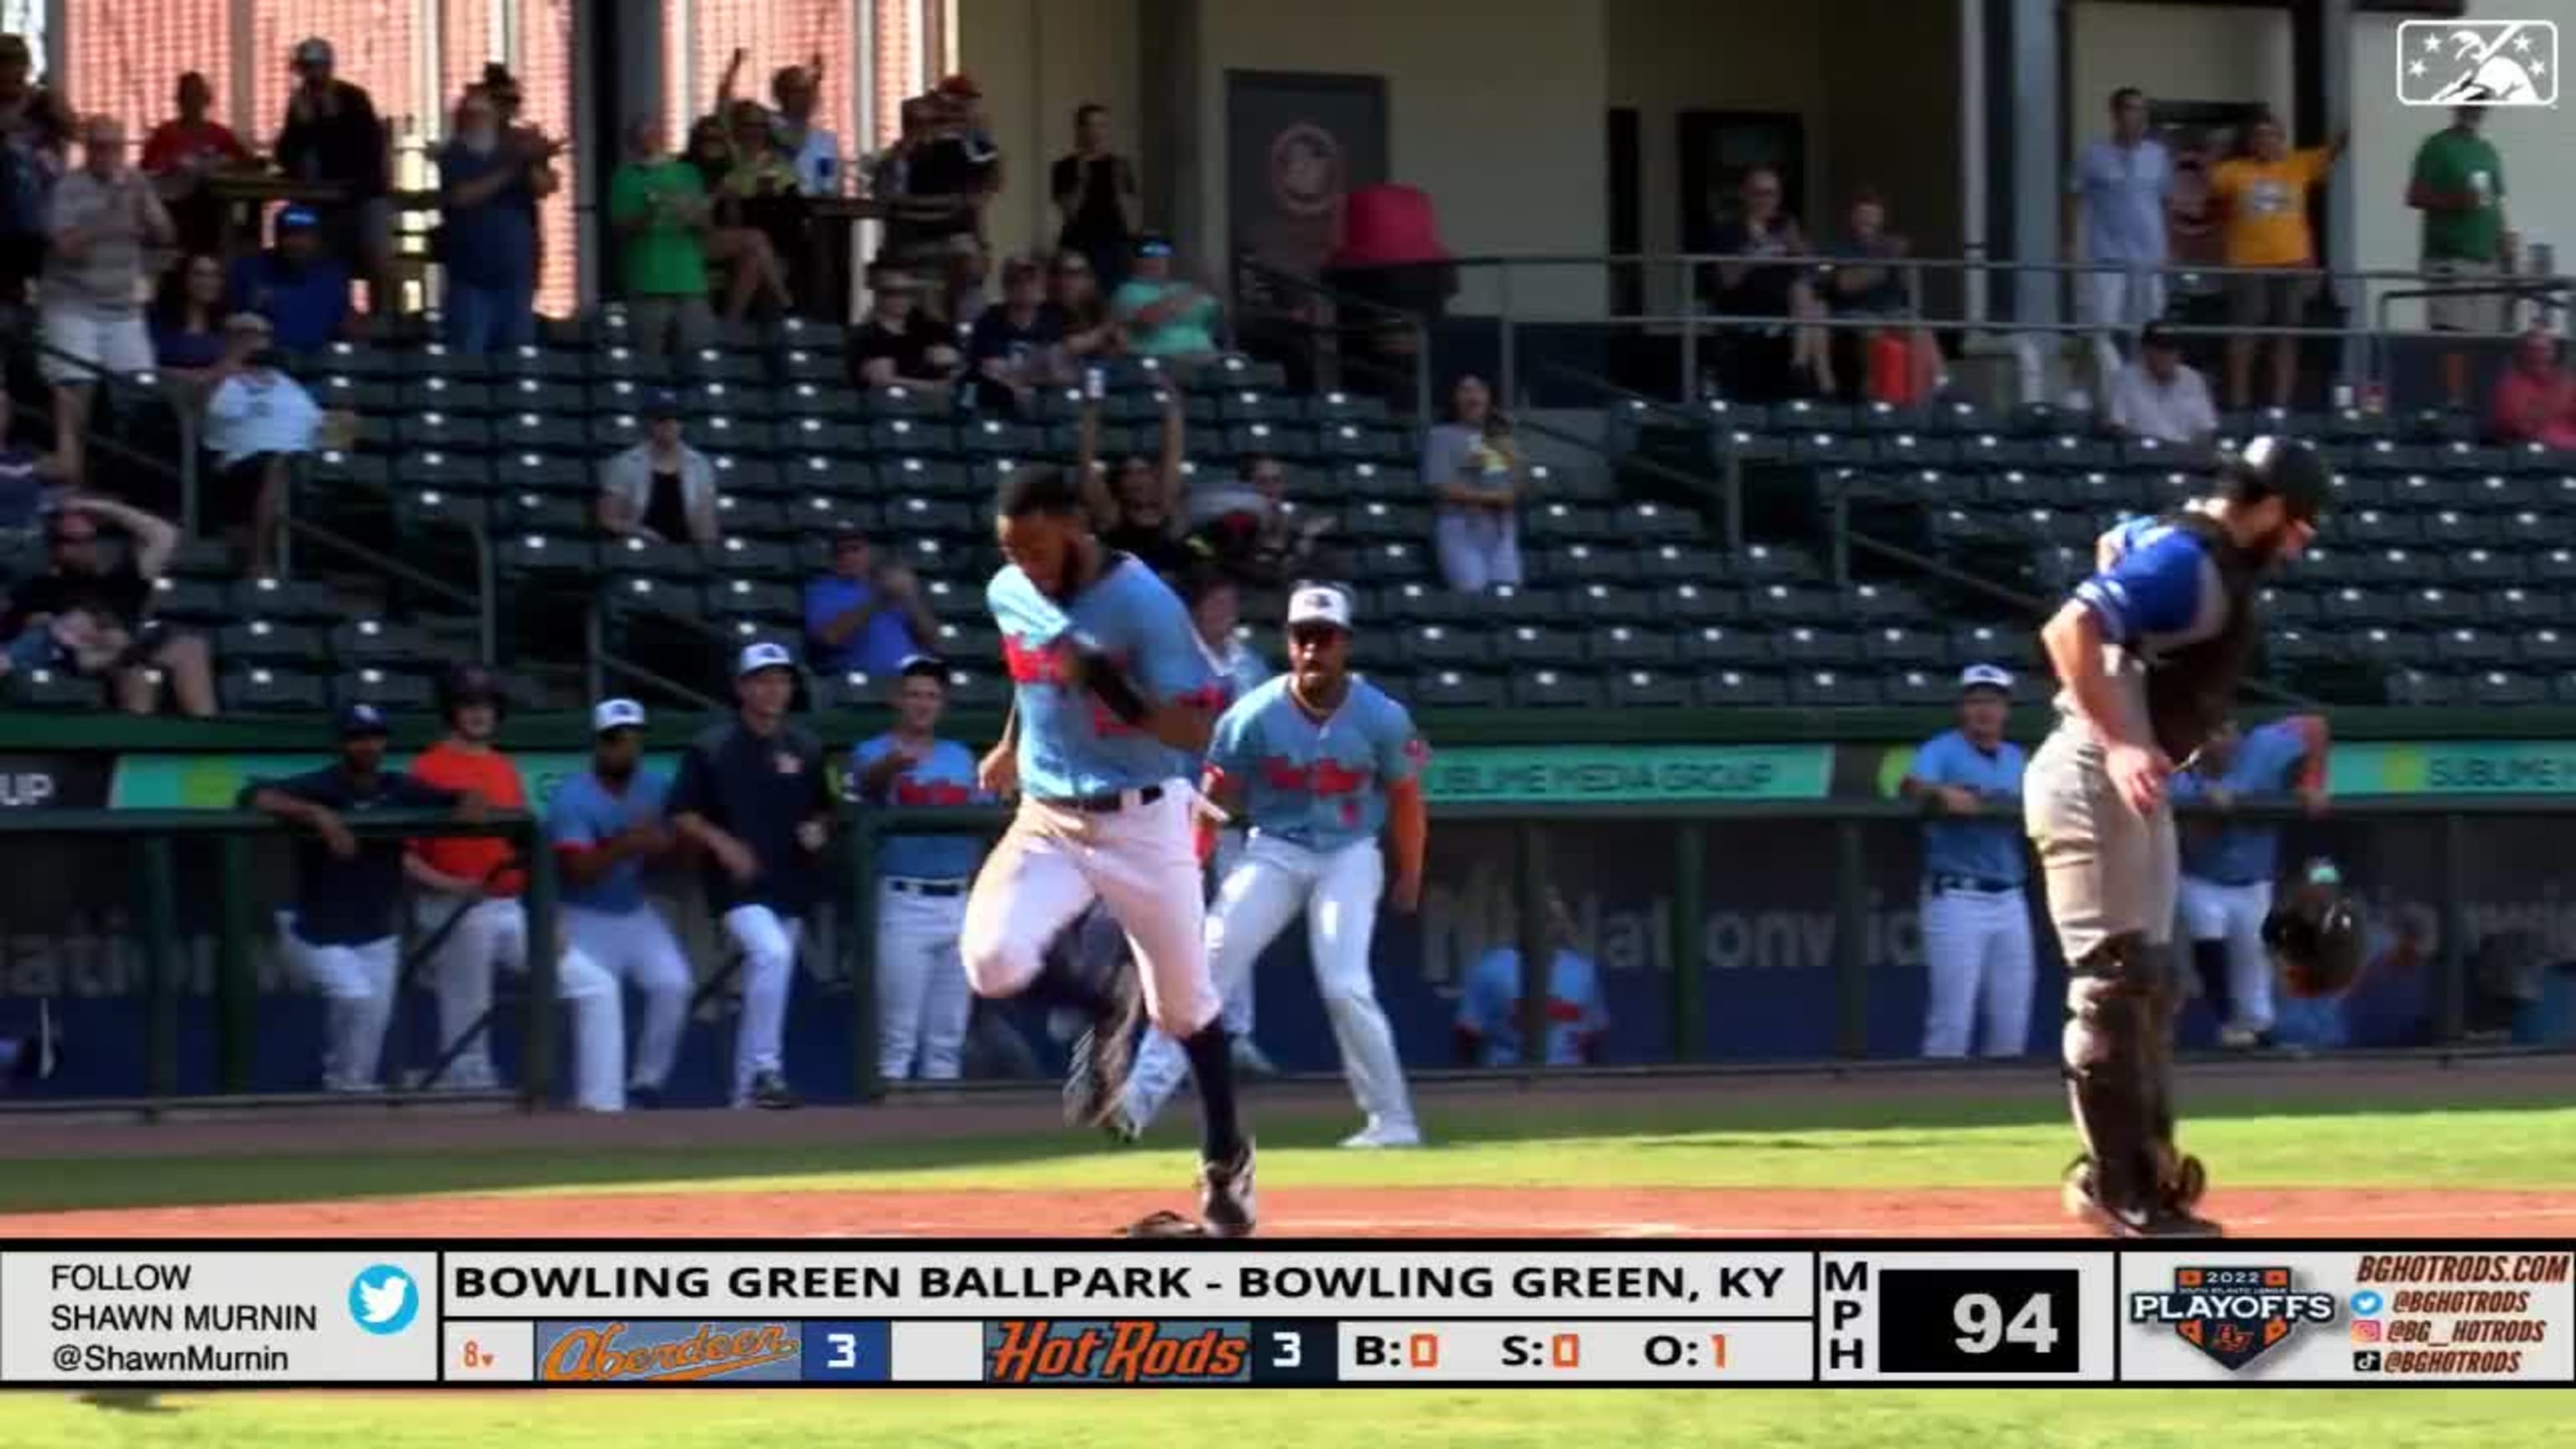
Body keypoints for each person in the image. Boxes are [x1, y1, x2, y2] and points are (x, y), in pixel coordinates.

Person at [2025, 434, 2327, 1237]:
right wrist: (2122, 735)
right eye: (2297, 522)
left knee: (2152, 985)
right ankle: (2117, 1192)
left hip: (2130, 772)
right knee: (2117, 982)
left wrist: (2131, 721)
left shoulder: (2172, 537)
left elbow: (2112, 546)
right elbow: (2069, 629)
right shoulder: (2194, 559)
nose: (2300, 542)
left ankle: (2147, 1177)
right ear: (2262, 505)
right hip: (2096, 768)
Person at [958, 462, 1252, 1236]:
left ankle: (1226, 1162)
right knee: (990, 962)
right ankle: (1102, 1008)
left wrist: (1102, 681)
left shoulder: (1143, 603)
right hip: (1049, 816)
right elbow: (1031, 673)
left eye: (1036, 545)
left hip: (1144, 819)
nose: (1024, 563)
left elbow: (1194, 731)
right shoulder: (1010, 589)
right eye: (1012, 548)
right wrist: (1009, 742)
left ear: (1075, 526)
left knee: (1186, 1009)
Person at [1119, 584, 1427, 1147]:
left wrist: (1410, 871)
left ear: (1345, 644)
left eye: (1325, 638)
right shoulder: (1253, 714)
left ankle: (1394, 1121)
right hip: (1277, 848)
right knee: (1206, 960)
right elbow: (1214, 797)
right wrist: (1190, 869)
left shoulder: (1381, 715)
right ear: (1289, 643)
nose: (1314, 649)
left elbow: (1406, 798)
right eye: (1303, 637)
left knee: (1345, 985)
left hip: (1350, 852)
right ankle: (1135, 1103)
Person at [401, 665, 626, 1109]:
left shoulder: (502, 766)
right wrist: (453, 886)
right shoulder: (426, 768)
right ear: (451, 710)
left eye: (486, 704)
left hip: (508, 906)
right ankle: (469, 1110)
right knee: (468, 1016)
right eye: (468, 704)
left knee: (597, 986)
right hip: (451, 906)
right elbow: (404, 857)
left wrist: (548, 915)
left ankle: (603, 1106)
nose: (479, 714)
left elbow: (526, 852)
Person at [241, 704, 481, 1093]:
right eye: (357, 737)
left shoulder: (398, 787)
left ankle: (346, 1091)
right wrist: (316, 813)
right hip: (315, 932)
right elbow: (254, 796)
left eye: (374, 736)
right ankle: (339, 1080)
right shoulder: (324, 784)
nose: (367, 745)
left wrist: (470, 800)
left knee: (370, 1022)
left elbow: (460, 799)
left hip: (375, 933)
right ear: (341, 743)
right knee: (353, 995)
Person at [667, 642, 836, 1109]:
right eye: (762, 680)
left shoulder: (805, 746)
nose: (773, 689)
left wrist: (819, 828)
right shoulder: (713, 746)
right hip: (736, 889)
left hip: (789, 880)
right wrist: (721, 843)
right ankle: (767, 1069)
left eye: (780, 679)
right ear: (742, 688)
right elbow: (681, 813)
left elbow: (826, 808)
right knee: (773, 953)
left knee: (772, 972)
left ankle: (745, 1100)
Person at [548, 698, 694, 1108]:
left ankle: (647, 1083)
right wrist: (626, 843)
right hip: (580, 914)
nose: (623, 748)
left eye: (632, 739)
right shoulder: (572, 798)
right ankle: (598, 1103)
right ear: (597, 744)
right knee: (600, 997)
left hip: (633, 911)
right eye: (614, 740)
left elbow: (676, 850)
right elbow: (577, 871)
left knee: (674, 983)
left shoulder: (653, 787)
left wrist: (666, 844)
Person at [850, 657, 988, 1081]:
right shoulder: (872, 752)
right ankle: (889, 1138)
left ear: (942, 703)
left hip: (958, 899)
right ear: (897, 699)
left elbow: (984, 821)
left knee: (947, 1041)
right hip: (904, 899)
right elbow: (863, 788)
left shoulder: (960, 757)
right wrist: (889, 767)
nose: (923, 703)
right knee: (897, 1039)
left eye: (932, 695)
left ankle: (940, 1137)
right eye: (914, 694)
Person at [2169, 715, 2329, 1050]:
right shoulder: (2180, 769)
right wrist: (2208, 808)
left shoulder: (2262, 746)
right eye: (2208, 733)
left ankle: (2255, 1034)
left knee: (2252, 961)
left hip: (2254, 882)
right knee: (2206, 931)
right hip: (2200, 877)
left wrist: (2312, 780)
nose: (2218, 741)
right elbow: (2188, 832)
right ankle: (2226, 1021)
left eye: (2225, 731)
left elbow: (2315, 726)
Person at [1901, 664, 2035, 1060]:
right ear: (1961, 707)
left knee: (2012, 1022)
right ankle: (1936, 1110)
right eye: (1975, 700)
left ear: (2006, 709)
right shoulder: (1941, 749)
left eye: (1992, 700)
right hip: (1957, 896)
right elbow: (1909, 785)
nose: (1984, 709)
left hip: (2010, 898)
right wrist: (1940, 791)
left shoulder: (2016, 758)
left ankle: (2003, 1114)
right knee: (1952, 1023)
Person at [44, 116, 174, 486]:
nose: (107, 154)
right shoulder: (68, 188)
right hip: (72, 302)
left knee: (140, 392)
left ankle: (128, 481)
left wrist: (148, 211)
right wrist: (108, 217)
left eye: (115, 147)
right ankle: (73, 479)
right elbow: (65, 248)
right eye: (99, 146)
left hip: (122, 307)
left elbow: (165, 234)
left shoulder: (136, 182)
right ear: (87, 148)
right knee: (76, 384)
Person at [0, 494, 216, 716]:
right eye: (71, 542)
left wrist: (103, 507)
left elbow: (166, 535)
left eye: (90, 539)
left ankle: (209, 738)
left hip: (131, 649)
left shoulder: (122, 578)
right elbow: (35, 636)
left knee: (191, 647)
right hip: (87, 659)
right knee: (136, 671)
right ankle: (135, 743)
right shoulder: (42, 588)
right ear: (55, 548)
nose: (84, 548)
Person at [2208, 113, 2346, 410]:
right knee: (2247, 330)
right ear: (2250, 141)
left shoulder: (2299, 164)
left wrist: (2355, 113)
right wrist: (2215, 150)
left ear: (2281, 139)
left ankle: (2281, 404)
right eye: (2259, 135)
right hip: (2248, 266)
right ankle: (2239, 402)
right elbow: (2210, 188)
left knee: (2287, 333)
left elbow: (2336, 149)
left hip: (2292, 264)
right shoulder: (2233, 171)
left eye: (2272, 135)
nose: (2265, 141)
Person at [273, 38, 395, 318]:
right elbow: (287, 155)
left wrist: (327, 119)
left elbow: (362, 151)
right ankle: (330, 317)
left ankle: (384, 320)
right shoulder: (299, 105)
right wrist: (303, 127)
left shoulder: (354, 99)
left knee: (376, 253)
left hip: (363, 195)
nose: (311, 75)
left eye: (316, 67)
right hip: (321, 202)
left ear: (328, 67)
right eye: (305, 69)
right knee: (312, 252)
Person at [2068, 86, 2174, 397]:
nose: (2138, 116)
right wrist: (2070, 242)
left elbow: (2165, 201)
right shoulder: (2093, 155)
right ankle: (2082, 392)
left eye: (2143, 110)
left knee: (2146, 329)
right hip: (2106, 256)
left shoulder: (2158, 155)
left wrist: (2169, 246)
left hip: (2148, 259)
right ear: (2115, 113)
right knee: (2099, 327)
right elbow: (2073, 197)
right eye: (2131, 109)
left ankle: (2138, 394)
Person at [2408, 106, 2514, 411]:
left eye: (2480, 104)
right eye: (2470, 103)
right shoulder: (2437, 146)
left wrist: (2504, 239)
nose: (2475, 109)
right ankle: (2454, 404)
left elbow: (2496, 202)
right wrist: (2454, 201)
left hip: (2486, 257)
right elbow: (2415, 195)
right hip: (2449, 256)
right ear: (2457, 106)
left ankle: (2485, 408)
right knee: (2452, 332)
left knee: (2486, 335)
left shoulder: (2487, 150)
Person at [437, 87, 555, 355]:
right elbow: (461, 196)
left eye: (482, 114)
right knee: (471, 358)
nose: (476, 119)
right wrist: (512, 170)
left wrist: (536, 159)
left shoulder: (515, 150)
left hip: (516, 276)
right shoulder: (453, 154)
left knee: (516, 358)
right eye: (470, 113)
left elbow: (545, 187)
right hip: (469, 279)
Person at [202, 313, 322, 576]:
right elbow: (215, 421)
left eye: (260, 336)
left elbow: (314, 420)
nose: (254, 342)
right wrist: (228, 368)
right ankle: (259, 559)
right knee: (278, 464)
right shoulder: (226, 381)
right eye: (245, 336)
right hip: (240, 462)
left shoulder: (288, 384)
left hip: (297, 456)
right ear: (231, 341)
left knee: (292, 464)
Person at [1705, 166, 1832, 396]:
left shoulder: (1786, 224)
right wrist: (1755, 255)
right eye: (1759, 193)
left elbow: (1816, 269)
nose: (1766, 199)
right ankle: (1822, 385)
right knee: (1811, 304)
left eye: (1771, 193)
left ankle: (1802, 369)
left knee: (1812, 299)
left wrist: (1798, 248)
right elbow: (1727, 279)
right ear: (1745, 194)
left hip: (1787, 304)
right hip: (1747, 303)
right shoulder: (1729, 229)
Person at [1453, 889, 1607, 1067]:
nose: (1546, 926)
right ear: (1520, 919)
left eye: (1552, 918)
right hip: (1507, 1081)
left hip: (1569, 1081)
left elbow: (1596, 1043)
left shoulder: (1583, 972)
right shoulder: (1489, 969)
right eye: (1539, 917)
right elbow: (1467, 1041)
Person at [606, 115, 716, 358]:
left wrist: (691, 214)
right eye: (642, 136)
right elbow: (620, 229)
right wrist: (650, 212)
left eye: (654, 134)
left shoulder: (688, 173)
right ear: (632, 143)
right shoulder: (624, 177)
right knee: (650, 362)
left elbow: (707, 227)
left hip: (689, 284)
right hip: (646, 286)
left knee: (696, 360)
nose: (650, 141)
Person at [1822, 187, 1940, 404]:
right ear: (1852, 216)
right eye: (1862, 213)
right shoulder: (1838, 247)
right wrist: (1885, 260)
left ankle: (1932, 390)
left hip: (1891, 312)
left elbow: (1909, 290)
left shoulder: (1892, 245)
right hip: (1854, 312)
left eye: (1873, 214)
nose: (1867, 219)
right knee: (1872, 332)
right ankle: (1874, 395)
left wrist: (1905, 262)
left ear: (1881, 218)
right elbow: (1846, 284)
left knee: (1919, 329)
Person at [682, 116, 795, 330]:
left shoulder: (729, 171)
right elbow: (694, 217)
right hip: (686, 240)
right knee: (757, 238)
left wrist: (733, 201)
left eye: (718, 139)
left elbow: (734, 224)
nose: (713, 143)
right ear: (696, 141)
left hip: (718, 238)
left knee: (754, 257)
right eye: (707, 139)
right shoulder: (685, 170)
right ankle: (787, 301)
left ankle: (730, 324)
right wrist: (717, 195)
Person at [1422, 375, 1526, 594]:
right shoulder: (1442, 436)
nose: (1473, 397)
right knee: (1473, 592)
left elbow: (1512, 489)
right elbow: (1441, 489)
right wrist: (1492, 497)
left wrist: (1513, 454)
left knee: (1507, 593)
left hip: (1501, 528)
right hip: (1460, 525)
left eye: (1479, 390)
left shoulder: (1497, 439)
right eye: (1465, 390)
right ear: (1454, 399)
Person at [1078, 387, 1192, 576]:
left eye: (1142, 472)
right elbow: (1086, 463)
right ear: (1120, 483)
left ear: (1153, 479)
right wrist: (1091, 411)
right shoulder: (1112, 515)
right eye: (1129, 474)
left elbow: (1173, 455)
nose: (1136, 480)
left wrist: (1173, 409)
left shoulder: (1165, 507)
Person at [140, 71, 252, 259]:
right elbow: (148, 172)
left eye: (196, 96)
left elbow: (246, 162)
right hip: (173, 212)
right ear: (179, 101)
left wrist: (223, 164)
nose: (192, 102)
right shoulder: (165, 134)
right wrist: (175, 165)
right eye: (187, 96)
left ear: (206, 100)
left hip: (212, 215)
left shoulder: (220, 134)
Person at [0, 32, 72, 312]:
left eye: (18, 64)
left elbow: (75, 132)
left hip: (47, 217)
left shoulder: (43, 103)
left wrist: (58, 106)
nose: (11, 72)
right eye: (5, 65)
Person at [804, 526, 937, 678]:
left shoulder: (892, 584)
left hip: (907, 681)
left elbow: (932, 641)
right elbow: (829, 638)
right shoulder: (822, 590)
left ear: (869, 552)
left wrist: (910, 597)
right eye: (840, 552)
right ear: (831, 559)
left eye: (855, 549)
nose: (848, 556)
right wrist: (880, 600)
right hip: (859, 684)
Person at [595, 390, 718, 545]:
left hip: (687, 551)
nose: (670, 424)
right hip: (639, 548)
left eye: (676, 418)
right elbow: (608, 519)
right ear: (649, 422)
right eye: (662, 418)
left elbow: (707, 524)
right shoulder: (625, 463)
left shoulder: (700, 465)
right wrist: (641, 532)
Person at [226, 205, 354, 352]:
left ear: (316, 239)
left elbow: (345, 325)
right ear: (277, 238)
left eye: (304, 235)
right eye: (289, 234)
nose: (297, 242)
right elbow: (232, 322)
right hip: (264, 364)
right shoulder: (250, 270)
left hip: (318, 364)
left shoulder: (332, 275)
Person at [1052, 103, 1140, 290]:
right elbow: (1069, 212)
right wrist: (1082, 178)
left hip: (1114, 247)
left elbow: (1129, 213)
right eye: (1091, 125)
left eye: (1102, 125)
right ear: (1080, 130)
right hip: (1079, 246)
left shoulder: (1120, 165)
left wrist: (1119, 188)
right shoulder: (1064, 167)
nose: (1097, 132)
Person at [969, 255, 1067, 415]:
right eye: (1016, 281)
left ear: (1042, 287)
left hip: (1043, 405)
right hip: (997, 406)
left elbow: (1059, 373)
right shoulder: (988, 321)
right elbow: (985, 371)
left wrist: (1017, 376)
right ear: (1005, 288)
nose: (1025, 287)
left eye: (1031, 281)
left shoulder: (1054, 323)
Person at [2106, 319, 2220, 446]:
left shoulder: (2193, 379)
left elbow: (2207, 429)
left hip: (2185, 458)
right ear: (2144, 350)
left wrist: (2194, 453)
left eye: (2171, 349)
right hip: (2143, 457)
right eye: (2160, 349)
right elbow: (2117, 427)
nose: (2166, 355)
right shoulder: (2124, 379)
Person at [845, 267, 960, 392]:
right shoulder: (867, 335)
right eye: (892, 292)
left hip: (936, 405)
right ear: (877, 294)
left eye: (907, 292)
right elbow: (882, 379)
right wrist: (932, 386)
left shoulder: (927, 328)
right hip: (886, 406)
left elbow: (950, 360)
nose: (901, 298)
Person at [1111, 235, 1222, 362]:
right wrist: (1192, 294)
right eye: (1149, 256)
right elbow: (1149, 319)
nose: (1157, 260)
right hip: (1160, 361)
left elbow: (1216, 321)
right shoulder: (1128, 291)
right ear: (1136, 260)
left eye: (1162, 255)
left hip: (1206, 355)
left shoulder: (1185, 287)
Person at [149, 252, 231, 392]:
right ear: (183, 278)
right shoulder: (158, 322)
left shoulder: (223, 324)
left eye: (214, 275)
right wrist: (192, 376)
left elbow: (228, 369)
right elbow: (144, 370)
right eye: (199, 274)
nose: (208, 282)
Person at [2490, 325, 2576, 449]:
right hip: (2531, 453)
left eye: (2544, 350)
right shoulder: (2510, 387)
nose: (2538, 355)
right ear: (2523, 353)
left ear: (2553, 352)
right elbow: (2514, 427)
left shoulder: (2569, 383)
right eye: (2533, 350)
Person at [1044, 250, 1121, 364]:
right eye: (1059, 272)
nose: (1065, 279)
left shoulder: (1095, 308)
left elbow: (1118, 347)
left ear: (1088, 278)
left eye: (1075, 273)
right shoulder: (1046, 310)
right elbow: (1070, 347)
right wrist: (1105, 330)